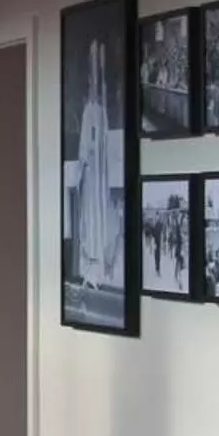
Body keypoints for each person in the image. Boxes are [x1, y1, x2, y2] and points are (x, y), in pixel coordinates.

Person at [74, 42, 117, 292]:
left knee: (97, 219)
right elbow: (87, 147)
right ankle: (93, 269)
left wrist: (86, 162)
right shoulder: (92, 111)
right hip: (93, 178)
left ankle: (98, 269)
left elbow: (91, 146)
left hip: (96, 177)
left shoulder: (96, 111)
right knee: (91, 220)